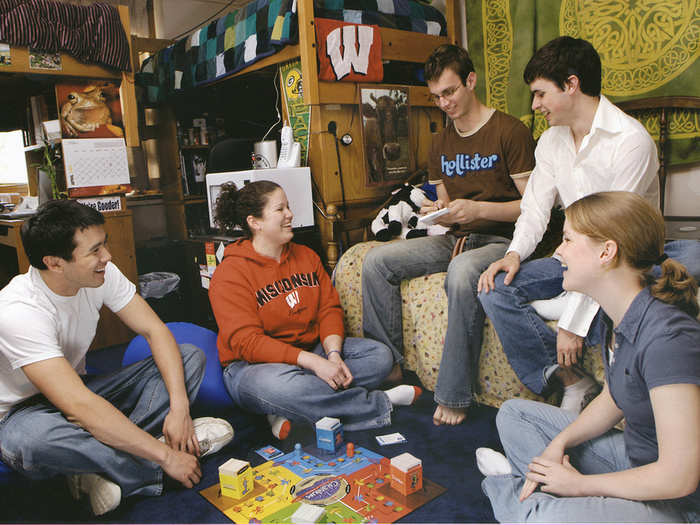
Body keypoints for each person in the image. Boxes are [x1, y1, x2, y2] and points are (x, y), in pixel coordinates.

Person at [478, 36, 700, 413]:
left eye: (541, 94)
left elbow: (613, 239)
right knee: (494, 288)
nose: (535, 106)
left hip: (624, 255)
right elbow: (534, 209)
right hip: (572, 255)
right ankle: (570, 379)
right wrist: (514, 254)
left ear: (571, 84)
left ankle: (571, 306)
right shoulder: (550, 142)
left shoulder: (630, 141)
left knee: (671, 269)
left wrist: (573, 323)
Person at [476, 191, 699, 523]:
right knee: (513, 415)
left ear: (607, 252)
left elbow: (679, 477)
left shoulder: (669, 339)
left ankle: (509, 487)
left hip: (680, 502)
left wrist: (580, 485)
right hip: (637, 463)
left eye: (567, 239)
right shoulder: (619, 314)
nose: (559, 251)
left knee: (543, 519)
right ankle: (540, 488)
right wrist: (559, 443)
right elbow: (615, 398)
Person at [0, 200, 233, 516]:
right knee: (31, 444)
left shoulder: (99, 274)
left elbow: (155, 331)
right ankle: (151, 459)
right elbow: (79, 408)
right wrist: (166, 459)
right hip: (21, 413)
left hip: (82, 389)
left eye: (104, 244)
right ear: (54, 263)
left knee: (188, 356)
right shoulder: (18, 311)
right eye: (95, 250)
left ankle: (93, 465)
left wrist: (179, 409)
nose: (107, 257)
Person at [361, 44, 536, 425]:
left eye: (450, 92)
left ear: (471, 81)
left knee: (461, 274)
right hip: (454, 237)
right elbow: (444, 205)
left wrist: (479, 211)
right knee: (375, 261)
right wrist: (434, 212)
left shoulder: (510, 131)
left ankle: (455, 395)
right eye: (436, 96)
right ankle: (386, 366)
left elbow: (534, 206)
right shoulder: (439, 142)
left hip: (503, 241)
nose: (444, 103)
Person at [209, 181, 421, 438]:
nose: (290, 214)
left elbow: (328, 309)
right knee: (283, 388)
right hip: (253, 367)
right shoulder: (229, 274)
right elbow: (248, 343)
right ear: (256, 222)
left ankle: (286, 410)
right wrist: (313, 364)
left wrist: (332, 355)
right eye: (280, 209)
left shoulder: (305, 255)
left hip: (312, 351)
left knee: (379, 357)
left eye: (288, 207)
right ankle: (377, 404)